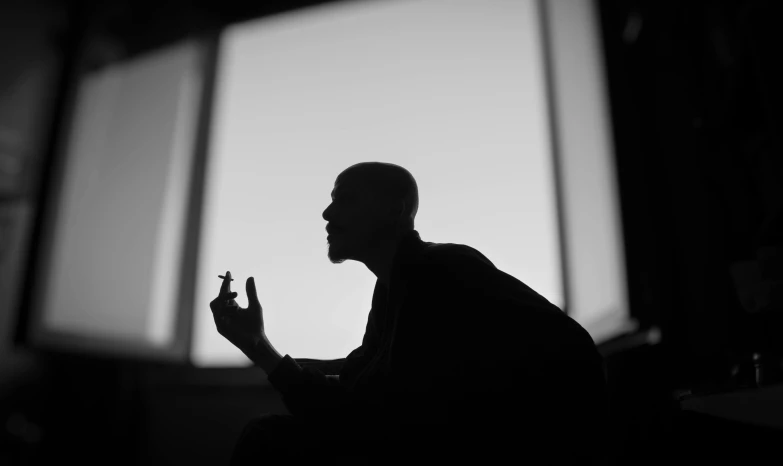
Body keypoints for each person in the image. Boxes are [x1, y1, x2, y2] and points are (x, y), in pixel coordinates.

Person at [211, 161, 610, 465]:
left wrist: (264, 353)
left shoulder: (438, 273)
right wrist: (262, 349)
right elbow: (360, 378)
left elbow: (365, 411)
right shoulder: (398, 283)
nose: (327, 214)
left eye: (344, 199)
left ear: (395, 209)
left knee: (267, 439)